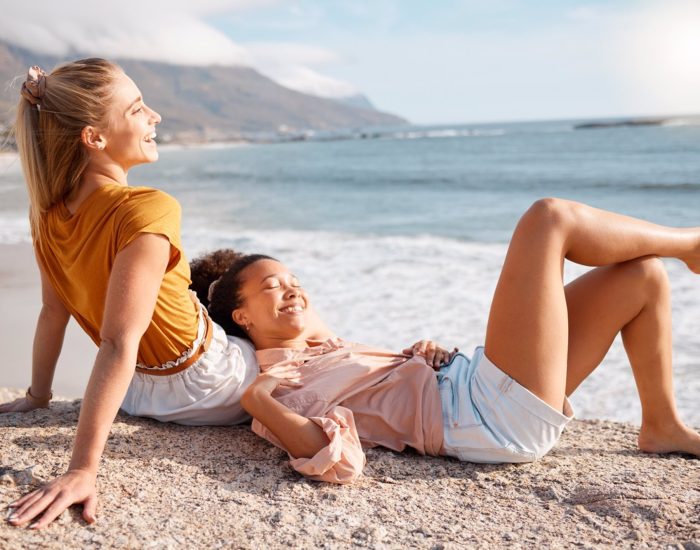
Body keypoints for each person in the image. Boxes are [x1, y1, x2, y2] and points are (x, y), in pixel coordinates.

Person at [194, 200, 700, 484]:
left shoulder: (323, 351)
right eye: (272, 287)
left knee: (641, 276)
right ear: (242, 316)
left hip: (477, 393)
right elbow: (341, 463)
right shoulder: (277, 388)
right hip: (483, 414)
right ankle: (693, 243)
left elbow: (382, 398)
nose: (292, 289)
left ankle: (661, 425)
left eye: (293, 278)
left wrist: (415, 356)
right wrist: (257, 398)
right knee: (548, 220)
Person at [1, 60, 259, 529]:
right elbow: (119, 341)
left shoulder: (48, 217)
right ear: (94, 138)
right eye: (139, 108)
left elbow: (52, 312)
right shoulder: (147, 208)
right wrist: (82, 470)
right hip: (211, 383)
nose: (155, 116)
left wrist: (38, 396)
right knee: (282, 312)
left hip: (136, 392)